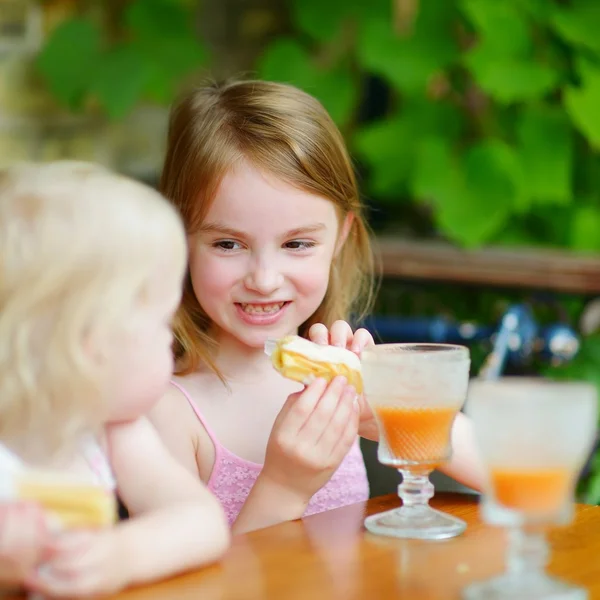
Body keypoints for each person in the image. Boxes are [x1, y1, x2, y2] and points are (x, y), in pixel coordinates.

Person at [149, 80, 483, 534]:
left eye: (297, 243)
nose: (264, 279)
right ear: (180, 239)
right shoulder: (166, 412)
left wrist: (392, 415)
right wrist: (284, 488)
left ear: (340, 237)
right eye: (228, 243)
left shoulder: (332, 381)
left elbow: (513, 477)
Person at [0, 162, 230, 598]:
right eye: (164, 323)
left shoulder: (111, 430)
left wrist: (123, 555)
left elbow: (203, 523)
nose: (173, 341)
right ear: (94, 345)